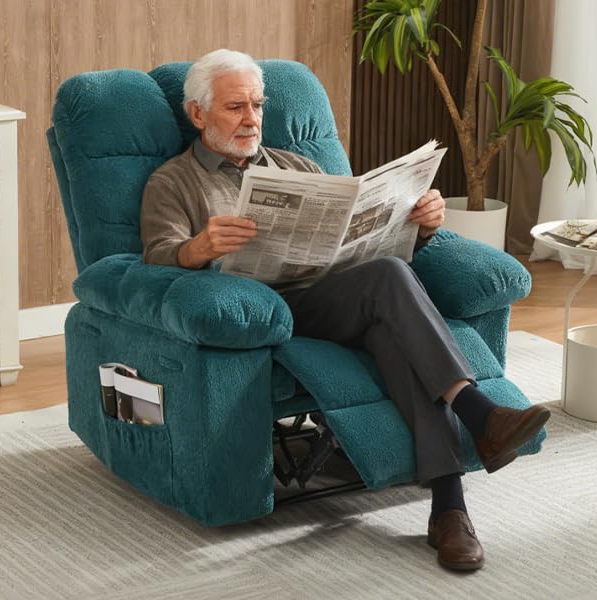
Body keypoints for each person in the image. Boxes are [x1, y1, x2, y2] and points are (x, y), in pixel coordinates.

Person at [141, 49, 550, 572]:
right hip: (272, 312)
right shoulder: (173, 182)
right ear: (198, 114)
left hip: (341, 296)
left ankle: (449, 509)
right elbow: (155, 257)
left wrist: (420, 224)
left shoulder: (297, 167)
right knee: (389, 284)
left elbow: (368, 245)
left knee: (393, 316)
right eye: (235, 107)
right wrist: (195, 249)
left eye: (258, 105)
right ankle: (479, 414)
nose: (251, 119)